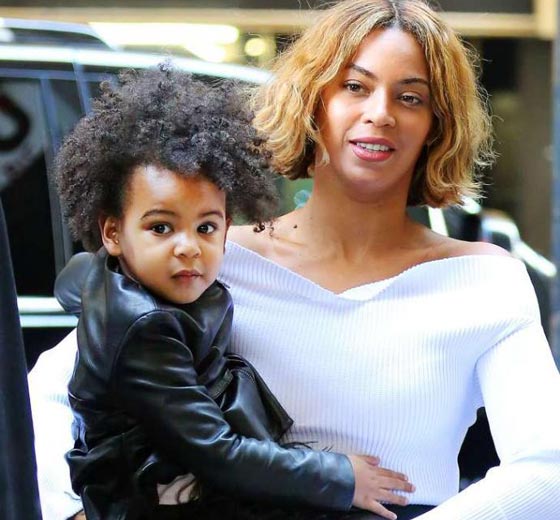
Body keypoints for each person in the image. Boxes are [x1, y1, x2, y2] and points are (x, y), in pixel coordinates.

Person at [29, 0, 560, 519]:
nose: (380, 113)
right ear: (312, 103)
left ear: (437, 126)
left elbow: (547, 469)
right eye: (354, 86)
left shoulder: (483, 280)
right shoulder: (212, 260)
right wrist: (74, 508)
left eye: (410, 97)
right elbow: (49, 394)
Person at [48, 65, 416, 520]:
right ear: (112, 233)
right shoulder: (145, 327)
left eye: (206, 227)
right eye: (160, 228)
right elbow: (216, 452)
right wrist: (340, 476)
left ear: (226, 230)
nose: (188, 247)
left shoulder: (141, 286)